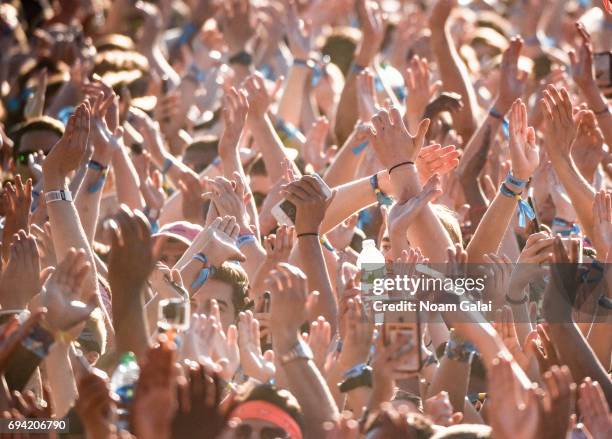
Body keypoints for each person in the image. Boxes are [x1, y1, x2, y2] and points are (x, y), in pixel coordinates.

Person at [0, 0, 611, 438]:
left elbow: (453, 282)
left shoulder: (420, 329)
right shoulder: (390, 316)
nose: (212, 323)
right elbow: (304, 225)